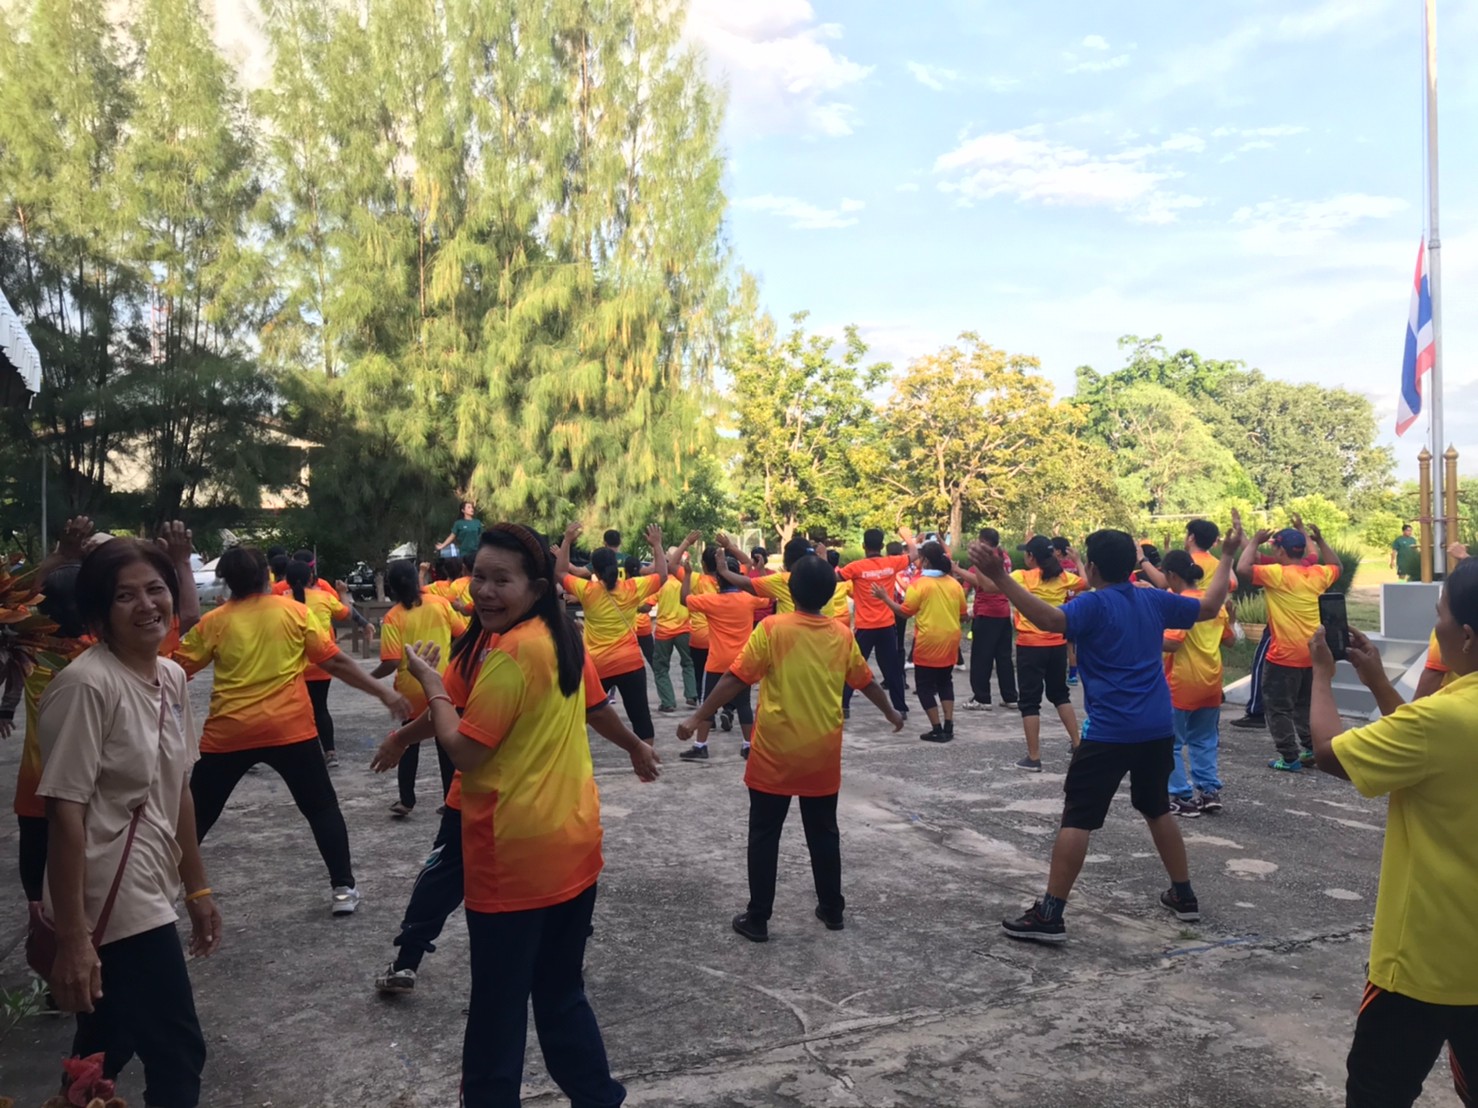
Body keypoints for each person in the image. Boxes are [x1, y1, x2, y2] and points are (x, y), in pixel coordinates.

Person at [395, 523, 655, 1107]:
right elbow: (594, 709)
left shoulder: (510, 654)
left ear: (536, 588)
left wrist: (432, 684)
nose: (485, 591)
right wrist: (637, 745)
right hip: (572, 846)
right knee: (561, 993)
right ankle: (599, 1098)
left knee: (497, 1010)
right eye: (479, 577)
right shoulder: (561, 638)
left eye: (501, 580)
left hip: (512, 856)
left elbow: (464, 751)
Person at [978, 523, 1241, 943]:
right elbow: (1210, 606)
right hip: (1156, 726)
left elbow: (1048, 619)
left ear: (1094, 567)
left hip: (1110, 731)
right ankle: (1184, 895)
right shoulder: (1154, 599)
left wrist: (1000, 578)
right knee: (1157, 808)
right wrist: (1227, 555)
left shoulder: (1092, 605)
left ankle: (1050, 914)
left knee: (1078, 817)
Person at [37, 539, 222, 1107]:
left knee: (104, 1047)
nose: (146, 605)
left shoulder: (170, 677)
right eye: (125, 596)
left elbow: (178, 788)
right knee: (177, 1050)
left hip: (151, 881)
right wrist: (73, 938)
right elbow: (64, 812)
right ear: (99, 612)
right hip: (107, 895)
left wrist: (197, 888)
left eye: (155, 589)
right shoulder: (86, 686)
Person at [1308, 556, 1478, 1107]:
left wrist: (1322, 675)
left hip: (1424, 961)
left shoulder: (1444, 718)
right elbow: (1423, 751)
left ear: (1466, 637)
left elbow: (1328, 753)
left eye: (1440, 616)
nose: (1436, 627)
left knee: (1378, 1093)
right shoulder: (1445, 715)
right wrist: (1379, 682)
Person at [175, 547, 410, 915]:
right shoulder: (294, 612)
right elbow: (335, 662)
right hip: (290, 730)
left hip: (229, 732)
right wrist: (384, 692)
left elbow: (174, 668)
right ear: (267, 575)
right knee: (321, 807)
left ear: (226, 581)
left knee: (197, 815)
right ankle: (343, 889)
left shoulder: (214, 622)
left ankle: (160, 889)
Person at [679, 556, 903, 941]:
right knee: (824, 831)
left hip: (774, 753)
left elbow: (736, 678)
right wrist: (891, 712)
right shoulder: (841, 634)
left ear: (791, 591)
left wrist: (698, 715)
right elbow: (865, 681)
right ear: (830, 595)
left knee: (764, 833)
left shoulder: (772, 628)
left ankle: (758, 918)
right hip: (821, 754)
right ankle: (832, 909)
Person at [556, 524, 694, 748]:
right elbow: (662, 575)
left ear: (595, 571)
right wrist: (657, 544)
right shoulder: (632, 588)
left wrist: (567, 541)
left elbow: (561, 573)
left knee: (580, 714)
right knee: (641, 718)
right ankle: (646, 757)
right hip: (630, 663)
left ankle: (571, 752)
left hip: (598, 665)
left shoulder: (587, 591)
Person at [970, 536, 1086, 772]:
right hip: (1056, 644)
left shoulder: (1022, 577)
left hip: (1031, 646)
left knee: (1030, 702)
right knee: (1060, 695)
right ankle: (1077, 745)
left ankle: (1034, 757)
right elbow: (1085, 582)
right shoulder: (1063, 577)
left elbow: (990, 587)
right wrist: (1078, 561)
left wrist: (980, 567)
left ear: (1031, 557)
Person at [1235, 523, 1340, 771]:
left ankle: (1289, 757)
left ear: (1281, 551)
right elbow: (1337, 566)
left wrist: (1254, 541)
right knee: (1305, 705)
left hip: (1284, 655)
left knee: (1278, 708)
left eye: (1275, 548)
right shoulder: (1317, 573)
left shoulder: (1277, 574)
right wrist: (1321, 541)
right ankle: (1311, 749)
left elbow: (1242, 568)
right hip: (1314, 653)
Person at [371, 560, 467, 817]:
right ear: (417, 580)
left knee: (407, 742)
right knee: (445, 742)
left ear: (391, 587)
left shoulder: (393, 617)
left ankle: (406, 800)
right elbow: (462, 634)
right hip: (442, 684)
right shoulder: (441, 604)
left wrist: (369, 677)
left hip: (411, 688)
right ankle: (450, 800)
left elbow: (391, 661)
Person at [1159, 550, 1233, 817]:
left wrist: (1142, 632)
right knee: (1204, 740)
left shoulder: (1181, 604)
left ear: (1171, 575)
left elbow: (1172, 643)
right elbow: (1229, 640)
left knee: (1171, 742)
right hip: (1211, 682)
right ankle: (1208, 792)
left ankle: (1181, 796)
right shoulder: (1215, 604)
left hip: (1181, 683)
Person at [678, 554, 772, 760]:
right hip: (742, 661)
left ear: (718, 579)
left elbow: (684, 599)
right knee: (744, 704)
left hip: (717, 662)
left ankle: (700, 746)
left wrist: (687, 575)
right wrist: (761, 570)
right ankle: (748, 745)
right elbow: (767, 596)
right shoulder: (748, 600)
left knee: (708, 704)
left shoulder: (710, 601)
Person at [875, 542, 967, 743]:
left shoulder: (919, 584)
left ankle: (937, 728)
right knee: (945, 681)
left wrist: (884, 598)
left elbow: (904, 612)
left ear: (925, 560)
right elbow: (963, 614)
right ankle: (949, 725)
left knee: (924, 685)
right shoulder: (954, 584)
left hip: (928, 640)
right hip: (951, 639)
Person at [837, 527, 918, 719]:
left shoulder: (855, 567)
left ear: (863, 546)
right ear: (882, 546)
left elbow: (834, 577)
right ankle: (900, 708)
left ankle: (844, 706)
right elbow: (914, 555)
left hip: (865, 627)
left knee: (853, 666)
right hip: (886, 626)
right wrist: (907, 537)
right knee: (892, 670)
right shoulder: (892, 562)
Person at [279, 560, 353, 768]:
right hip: (321, 664)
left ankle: (298, 753)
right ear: (311, 578)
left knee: (294, 710)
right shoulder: (324, 597)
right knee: (320, 708)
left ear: (287, 581)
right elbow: (346, 614)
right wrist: (343, 593)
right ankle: (330, 752)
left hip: (291, 666)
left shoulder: (280, 602)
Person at [958, 528, 1018, 712]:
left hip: (987, 612)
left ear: (983, 542)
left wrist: (958, 569)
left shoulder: (985, 560)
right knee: (1004, 657)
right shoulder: (1004, 557)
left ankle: (982, 698)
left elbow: (983, 583)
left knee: (981, 658)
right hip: (1003, 612)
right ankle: (1010, 696)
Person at [651, 547, 700, 713]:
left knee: (660, 668)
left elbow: (646, 606)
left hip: (664, 632)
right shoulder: (687, 581)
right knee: (688, 663)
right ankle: (692, 695)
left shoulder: (661, 582)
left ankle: (668, 702)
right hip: (685, 629)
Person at [626, 556, 657, 665]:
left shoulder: (622, 586)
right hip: (644, 627)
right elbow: (647, 607)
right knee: (653, 659)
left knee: (629, 661)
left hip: (628, 629)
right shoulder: (646, 583)